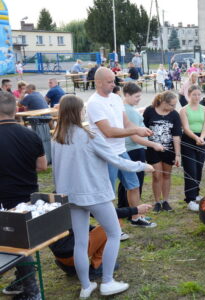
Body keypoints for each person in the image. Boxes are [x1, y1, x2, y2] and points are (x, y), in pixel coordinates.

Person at [52, 95, 154, 298]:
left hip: (70, 196)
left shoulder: (56, 138)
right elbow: (115, 159)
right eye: (83, 109)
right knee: (114, 233)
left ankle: (85, 286)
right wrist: (142, 166)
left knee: (81, 241)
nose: (84, 112)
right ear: (78, 111)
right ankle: (107, 281)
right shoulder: (88, 136)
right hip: (94, 193)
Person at [86, 67, 153, 227]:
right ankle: (110, 226)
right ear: (98, 82)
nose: (113, 84)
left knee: (134, 184)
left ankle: (135, 217)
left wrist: (140, 130)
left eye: (114, 81)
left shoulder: (116, 99)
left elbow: (126, 124)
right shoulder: (93, 103)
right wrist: (135, 130)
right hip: (105, 154)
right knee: (108, 193)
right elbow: (108, 132)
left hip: (121, 151)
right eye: (109, 82)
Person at [0, 91, 47, 300]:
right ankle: (25, 285)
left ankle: (31, 290)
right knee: (22, 243)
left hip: (4, 199)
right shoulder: (30, 134)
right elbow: (42, 166)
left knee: (13, 245)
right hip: (28, 197)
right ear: (15, 109)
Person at [50, 203, 152, 279]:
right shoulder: (80, 196)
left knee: (95, 230)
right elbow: (111, 214)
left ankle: (70, 268)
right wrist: (136, 209)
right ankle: (97, 267)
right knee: (115, 223)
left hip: (60, 255)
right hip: (72, 253)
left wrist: (97, 233)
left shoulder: (55, 200)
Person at [116, 83, 163, 221]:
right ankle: (134, 213)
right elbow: (134, 136)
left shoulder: (129, 109)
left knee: (128, 183)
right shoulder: (128, 111)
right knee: (134, 184)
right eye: (136, 96)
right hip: (134, 150)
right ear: (127, 95)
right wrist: (153, 144)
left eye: (140, 96)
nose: (139, 99)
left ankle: (128, 211)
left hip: (133, 149)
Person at [143, 91, 182, 213]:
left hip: (168, 149)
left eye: (175, 105)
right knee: (156, 175)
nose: (174, 108)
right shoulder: (149, 111)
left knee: (167, 175)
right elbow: (142, 130)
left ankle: (165, 201)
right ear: (164, 102)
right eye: (171, 105)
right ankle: (157, 202)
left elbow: (176, 136)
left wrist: (177, 155)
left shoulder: (174, 115)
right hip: (152, 149)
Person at [179, 85, 205, 211]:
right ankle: (190, 198)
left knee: (198, 167)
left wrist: (201, 138)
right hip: (188, 139)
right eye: (194, 95)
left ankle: (196, 193)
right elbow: (186, 128)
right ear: (189, 95)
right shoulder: (184, 110)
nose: (197, 97)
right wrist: (196, 138)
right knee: (190, 169)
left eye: (198, 94)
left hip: (202, 139)